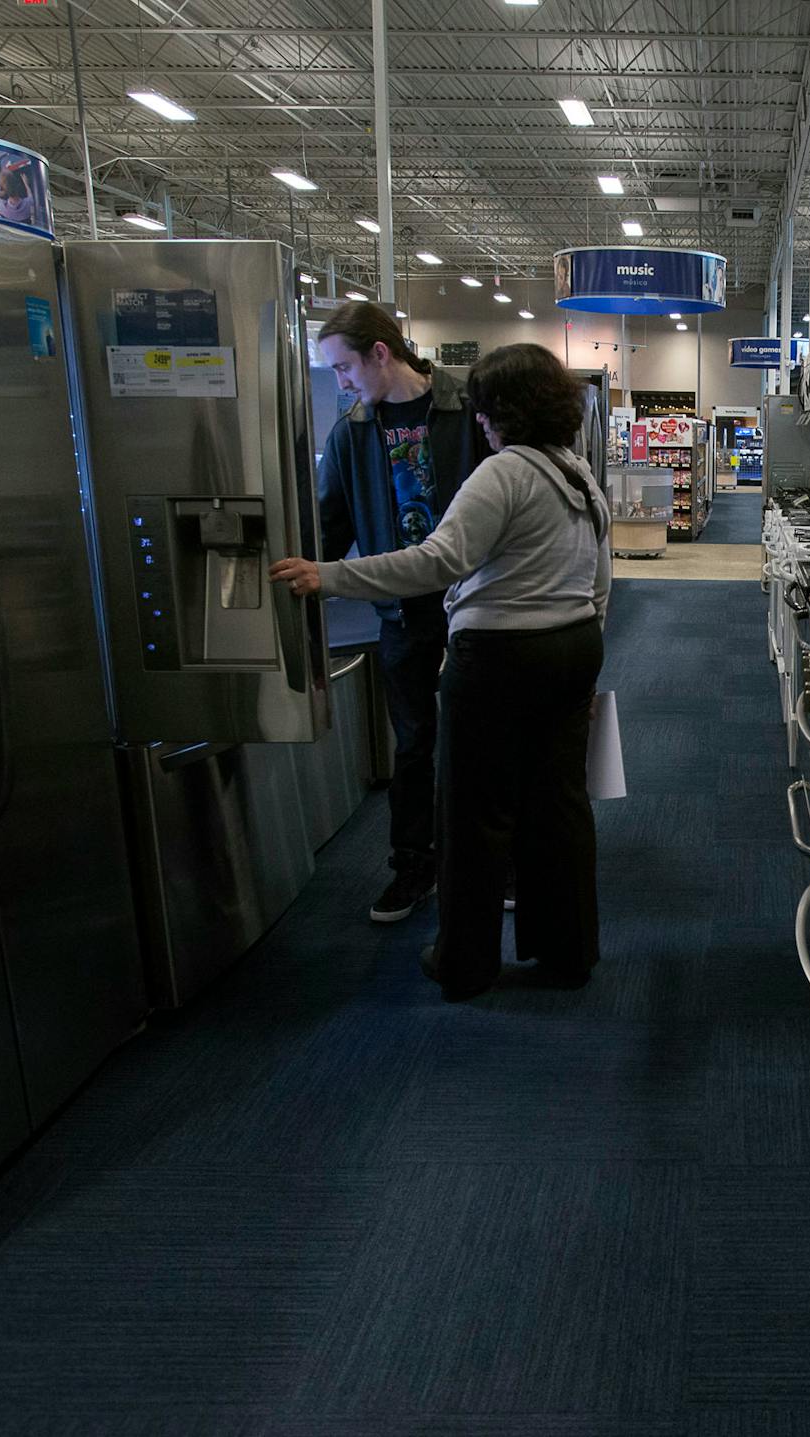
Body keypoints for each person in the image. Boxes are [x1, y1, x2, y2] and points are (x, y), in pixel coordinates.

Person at [271, 344, 611, 1001]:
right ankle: (568, 951)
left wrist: (330, 575)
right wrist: (585, 663)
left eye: (484, 408)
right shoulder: (578, 474)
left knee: (472, 813)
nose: (477, 420)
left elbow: (436, 561)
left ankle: (465, 962)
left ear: (505, 410)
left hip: (499, 660)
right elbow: (600, 584)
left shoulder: (503, 473)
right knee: (559, 809)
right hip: (572, 650)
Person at [313, 302, 489, 925]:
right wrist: (308, 581)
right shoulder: (351, 431)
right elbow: (331, 522)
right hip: (399, 612)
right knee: (414, 744)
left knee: (486, 737)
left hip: (476, 604)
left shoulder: (467, 408)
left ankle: (499, 860)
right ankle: (415, 866)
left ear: (380, 352)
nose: (341, 382)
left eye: (343, 368)